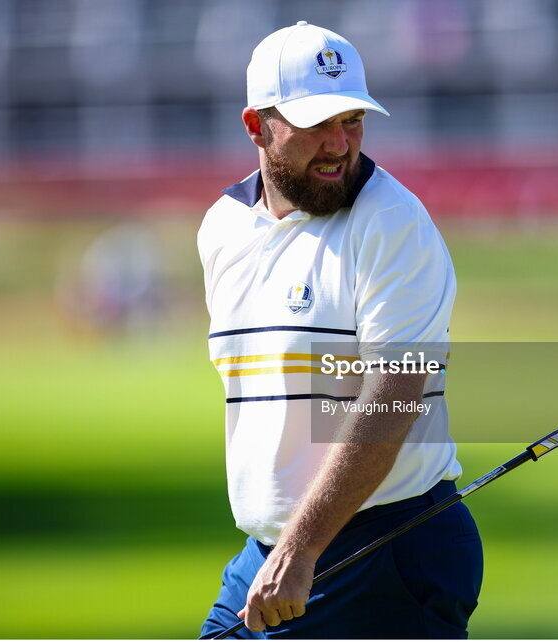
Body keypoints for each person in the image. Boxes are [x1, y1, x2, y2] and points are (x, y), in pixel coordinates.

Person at [197, 21, 481, 639]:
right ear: (256, 127)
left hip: (382, 548)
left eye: (351, 120)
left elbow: (395, 393)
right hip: (272, 556)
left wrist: (300, 551)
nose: (338, 143)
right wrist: (288, 551)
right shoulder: (221, 229)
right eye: (316, 123)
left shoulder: (393, 223)